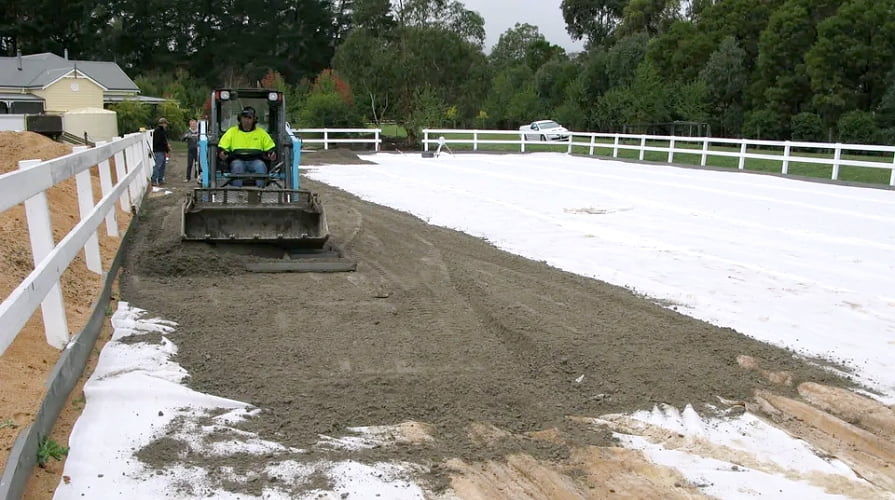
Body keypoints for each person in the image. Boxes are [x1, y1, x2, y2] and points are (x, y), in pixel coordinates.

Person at [217, 106, 276, 187]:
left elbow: (270, 148)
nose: (246, 120)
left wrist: (271, 154)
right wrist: (222, 153)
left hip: (256, 160)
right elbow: (222, 147)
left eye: (249, 118)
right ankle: (237, 192)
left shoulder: (261, 133)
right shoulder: (231, 132)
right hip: (237, 159)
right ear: (240, 119)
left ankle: (260, 191)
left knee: (261, 166)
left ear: (254, 120)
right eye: (244, 117)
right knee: (237, 167)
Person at [151, 118, 171, 186]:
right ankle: (154, 179)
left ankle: (160, 179)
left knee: (162, 165)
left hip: (160, 150)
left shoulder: (158, 131)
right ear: (163, 124)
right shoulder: (160, 131)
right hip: (159, 151)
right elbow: (162, 142)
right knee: (158, 165)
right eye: (165, 124)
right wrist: (167, 148)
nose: (166, 125)